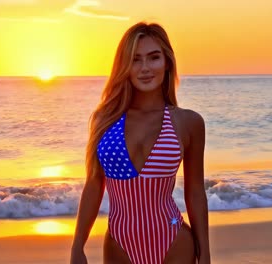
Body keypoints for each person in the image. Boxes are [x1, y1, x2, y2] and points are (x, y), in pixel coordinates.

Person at [70, 22, 210, 264]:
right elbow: (94, 183)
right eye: (135, 60)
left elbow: (195, 191)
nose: (145, 68)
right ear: (124, 66)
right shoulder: (105, 121)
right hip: (119, 245)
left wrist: (205, 255)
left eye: (153, 58)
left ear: (167, 62)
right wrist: (77, 246)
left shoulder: (188, 122)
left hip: (173, 240)